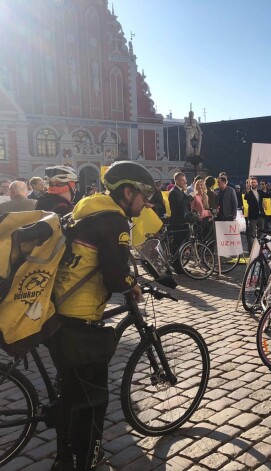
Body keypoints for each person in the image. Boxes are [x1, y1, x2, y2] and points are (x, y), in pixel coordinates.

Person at [47, 161, 151, 470]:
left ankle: (64, 459)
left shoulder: (88, 208)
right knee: (92, 401)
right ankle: (86, 462)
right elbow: (115, 277)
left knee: (70, 392)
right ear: (128, 192)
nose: (146, 202)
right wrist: (132, 286)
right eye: (144, 194)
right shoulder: (113, 220)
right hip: (79, 320)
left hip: (59, 314)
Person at [243, 176, 271, 250]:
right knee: (252, 234)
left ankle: (257, 248)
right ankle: (251, 251)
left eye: (254, 182)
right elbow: (246, 198)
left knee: (261, 234)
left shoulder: (260, 192)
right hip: (252, 217)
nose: (253, 184)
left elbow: (268, 195)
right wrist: (247, 190)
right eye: (252, 182)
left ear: (257, 183)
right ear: (250, 184)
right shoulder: (248, 192)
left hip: (261, 216)